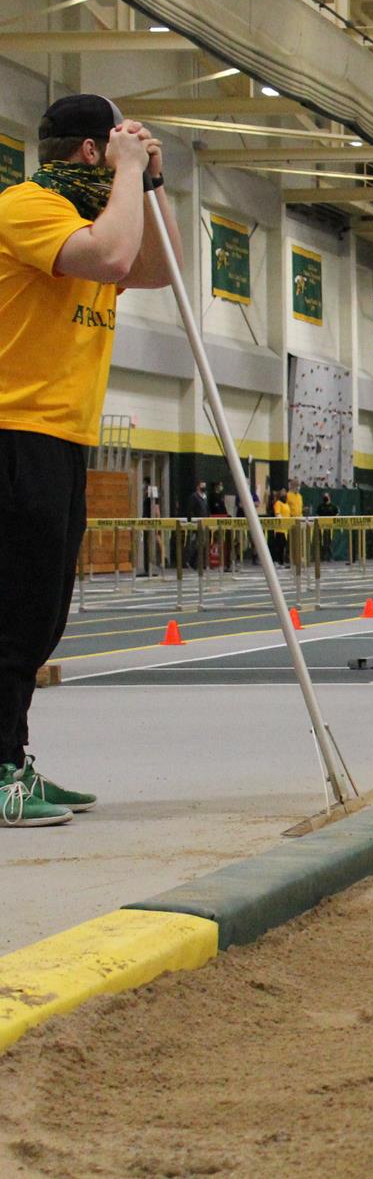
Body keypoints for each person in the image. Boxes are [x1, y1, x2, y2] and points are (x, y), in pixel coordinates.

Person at [0, 95, 183, 824]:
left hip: (63, 435)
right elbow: (111, 255)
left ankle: (13, 756)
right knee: (15, 611)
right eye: (115, 151)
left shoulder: (96, 216)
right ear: (89, 153)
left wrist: (153, 183)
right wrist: (128, 172)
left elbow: (159, 266)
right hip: (15, 429)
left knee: (42, 614)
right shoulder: (26, 206)